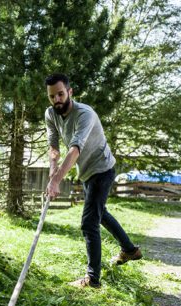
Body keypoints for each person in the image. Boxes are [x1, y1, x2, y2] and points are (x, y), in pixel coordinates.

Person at [44, 73, 142, 288]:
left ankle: (93, 279)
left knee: (89, 222)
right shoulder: (51, 114)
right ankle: (130, 250)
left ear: (70, 92)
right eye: (52, 96)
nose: (57, 100)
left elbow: (75, 148)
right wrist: (53, 171)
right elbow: (53, 147)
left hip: (102, 168)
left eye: (60, 94)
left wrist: (57, 180)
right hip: (87, 172)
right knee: (100, 213)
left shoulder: (84, 114)